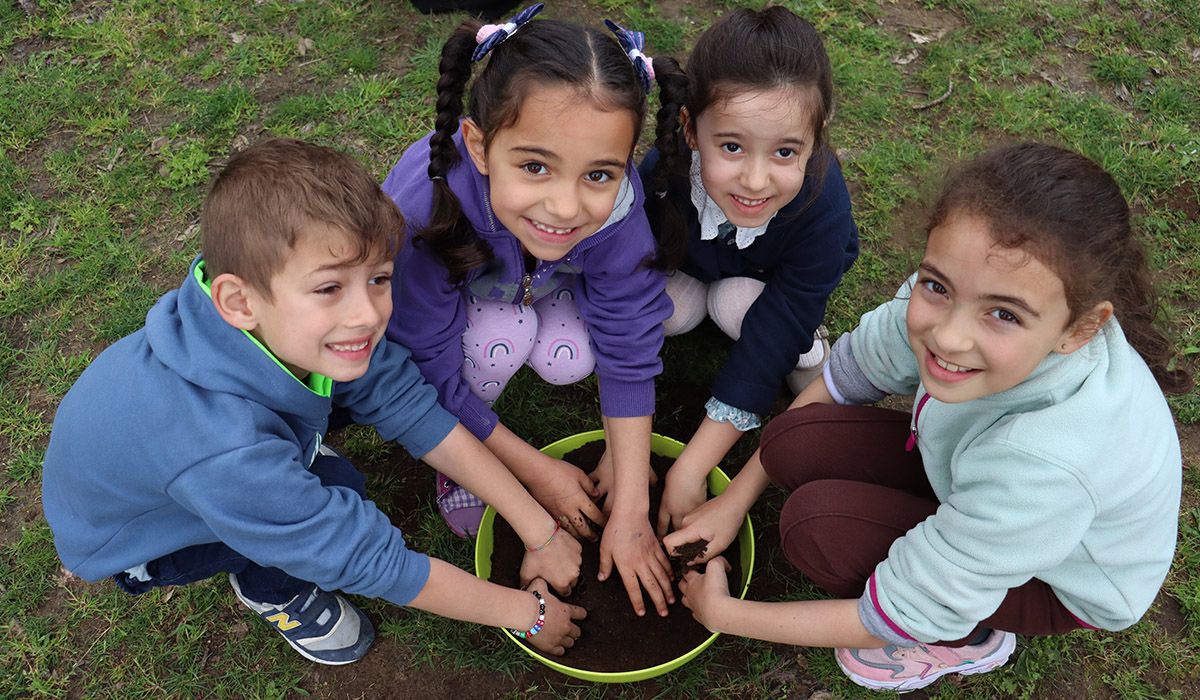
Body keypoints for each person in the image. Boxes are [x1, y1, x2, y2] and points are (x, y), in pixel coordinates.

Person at [663, 143, 1191, 692]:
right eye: (937, 286)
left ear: (1079, 330)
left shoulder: (1048, 464)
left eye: (1003, 314)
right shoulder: (962, 288)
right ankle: (959, 546)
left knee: (815, 529)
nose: (948, 335)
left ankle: (970, 635)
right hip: (982, 479)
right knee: (792, 439)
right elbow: (849, 373)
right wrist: (733, 501)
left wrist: (724, 615)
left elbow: (902, 609)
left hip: (1057, 576)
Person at [41, 138, 586, 666]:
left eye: (378, 278)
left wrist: (538, 528)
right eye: (329, 288)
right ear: (239, 300)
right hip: (145, 535)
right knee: (335, 490)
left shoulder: (276, 323)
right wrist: (528, 614)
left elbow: (406, 402)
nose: (368, 315)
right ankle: (269, 586)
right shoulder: (226, 453)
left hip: (193, 460)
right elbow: (369, 559)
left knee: (329, 452)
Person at [382, 4, 687, 618]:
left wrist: (630, 509)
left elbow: (630, 339)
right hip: (472, 304)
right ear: (478, 143)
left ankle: (521, 332)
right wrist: (536, 472)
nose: (565, 205)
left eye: (599, 173)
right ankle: (465, 464)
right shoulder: (422, 208)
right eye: (534, 166)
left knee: (568, 357)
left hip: (540, 280)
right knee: (495, 340)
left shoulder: (617, 207)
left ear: (627, 162)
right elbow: (425, 369)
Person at [639, 7, 860, 538]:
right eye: (732, 146)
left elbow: (776, 326)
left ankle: (814, 353)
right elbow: (628, 281)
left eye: (786, 151)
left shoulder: (821, 208)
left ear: (818, 136)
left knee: (744, 310)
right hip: (692, 260)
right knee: (670, 312)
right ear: (691, 128)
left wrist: (692, 466)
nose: (756, 180)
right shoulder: (659, 174)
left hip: (764, 279)